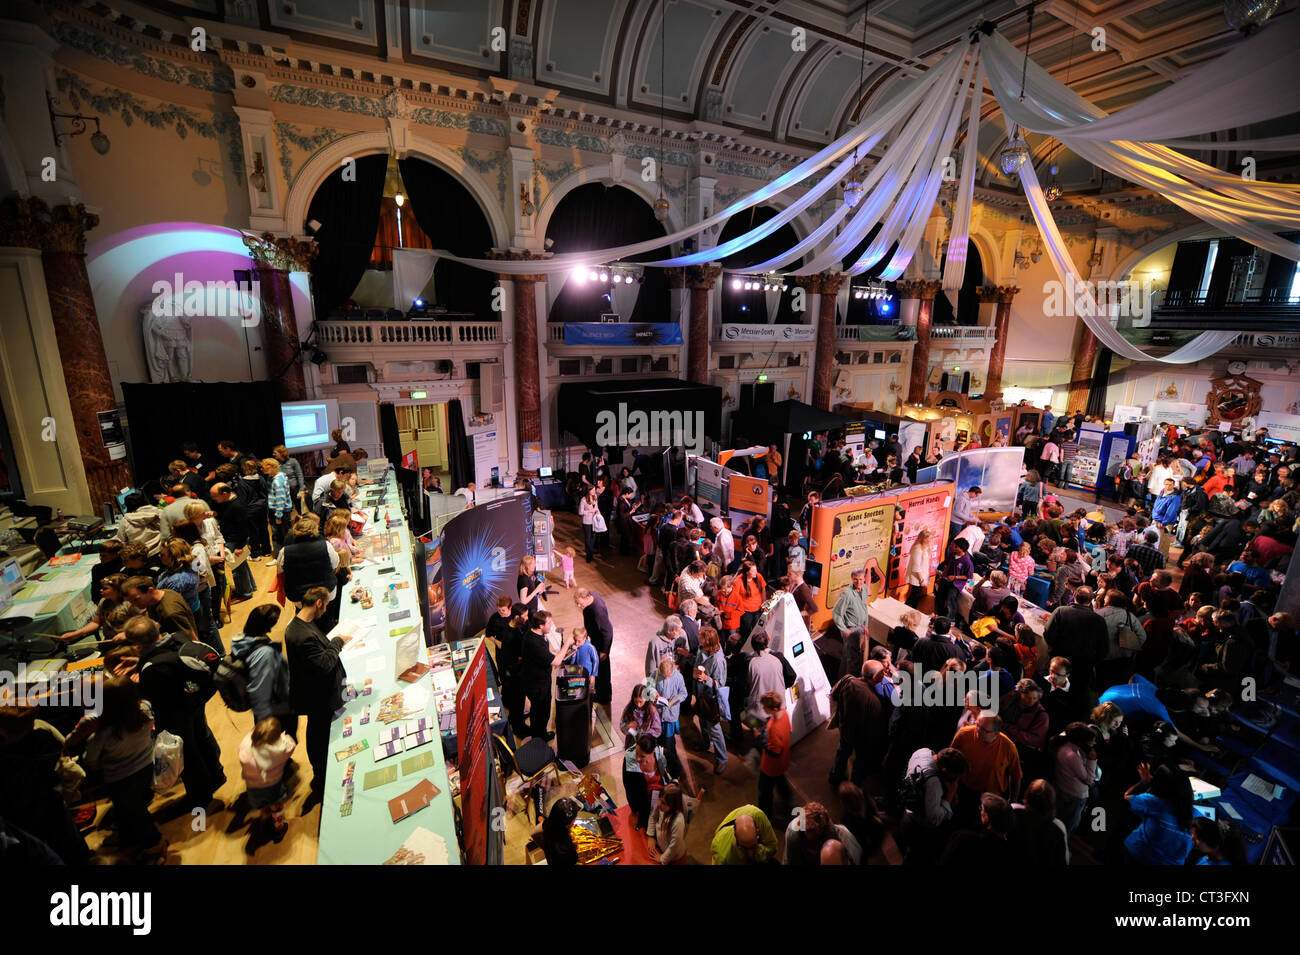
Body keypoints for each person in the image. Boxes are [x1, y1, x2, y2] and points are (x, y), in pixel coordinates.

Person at [123, 615, 225, 814]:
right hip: (195, 700)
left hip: (176, 715)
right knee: (202, 738)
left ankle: (200, 798)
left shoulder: (154, 668)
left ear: (136, 645)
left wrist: (138, 681)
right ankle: (216, 776)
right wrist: (140, 662)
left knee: (188, 755)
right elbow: (171, 660)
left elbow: (156, 697)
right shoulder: (179, 637)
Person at [76, 676, 165, 861]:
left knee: (135, 813)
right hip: (147, 767)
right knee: (135, 807)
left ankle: (155, 845)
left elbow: (90, 761)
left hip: (119, 781)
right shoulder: (146, 710)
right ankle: (129, 838)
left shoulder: (101, 736)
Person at [284, 586, 350, 804]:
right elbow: (324, 664)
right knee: (319, 735)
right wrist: (338, 642)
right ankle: (322, 777)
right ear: (319, 603)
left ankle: (321, 773)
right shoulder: (303, 636)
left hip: (313, 694)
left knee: (317, 731)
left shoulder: (298, 624)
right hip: (317, 697)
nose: (327, 608)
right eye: (327, 604)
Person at [229, 603, 294, 733]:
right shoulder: (265, 653)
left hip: (260, 708)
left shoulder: (242, 640)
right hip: (271, 709)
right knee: (276, 740)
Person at [238, 716, 296, 846]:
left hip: (254, 789)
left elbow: (246, 740)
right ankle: (279, 829)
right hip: (273, 787)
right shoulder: (282, 751)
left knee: (263, 807)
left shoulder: (245, 753)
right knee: (277, 808)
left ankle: (264, 823)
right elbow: (291, 743)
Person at [278, 517, 342, 635]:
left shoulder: (284, 551)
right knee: (328, 621)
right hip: (326, 593)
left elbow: (281, 572)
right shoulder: (325, 545)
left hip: (299, 597)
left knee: (305, 625)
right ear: (315, 530)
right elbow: (335, 563)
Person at [829, 659, 886, 787]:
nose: (885, 673)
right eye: (882, 671)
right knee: (859, 763)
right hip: (861, 739)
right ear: (875, 676)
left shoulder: (850, 682)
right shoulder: (874, 701)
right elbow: (873, 727)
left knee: (842, 754)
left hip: (845, 730)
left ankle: (835, 777)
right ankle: (854, 786)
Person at [1124, 762, 1194, 865]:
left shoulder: (1153, 802)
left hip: (1140, 856)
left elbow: (1127, 797)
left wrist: (1145, 782)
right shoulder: (1193, 812)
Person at [950, 711, 1022, 807]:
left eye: (984, 729)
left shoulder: (1008, 747)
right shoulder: (963, 734)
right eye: (977, 725)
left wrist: (1012, 800)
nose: (978, 731)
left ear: (996, 733)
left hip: (991, 797)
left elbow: (1015, 775)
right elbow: (951, 762)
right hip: (964, 789)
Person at [519, 610, 561, 741]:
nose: (551, 625)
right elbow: (556, 662)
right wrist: (567, 645)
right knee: (539, 713)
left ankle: (540, 733)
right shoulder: (534, 643)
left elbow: (547, 652)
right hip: (536, 685)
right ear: (541, 626)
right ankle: (538, 739)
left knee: (543, 711)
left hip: (541, 681)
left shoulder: (537, 634)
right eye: (549, 622)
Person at [693, 626, 729, 774]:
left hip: (711, 699)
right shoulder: (703, 650)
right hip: (701, 695)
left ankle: (722, 758)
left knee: (714, 728)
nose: (699, 640)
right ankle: (707, 744)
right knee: (702, 721)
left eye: (702, 638)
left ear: (709, 642)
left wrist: (706, 679)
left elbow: (720, 684)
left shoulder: (718, 660)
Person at [121, 574, 197, 643]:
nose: (133, 605)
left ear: (150, 590)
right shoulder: (162, 593)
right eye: (130, 601)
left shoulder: (170, 613)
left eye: (136, 599)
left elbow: (192, 640)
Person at [783, 800, 863, 865]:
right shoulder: (793, 833)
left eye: (815, 837)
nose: (811, 842)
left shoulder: (843, 838)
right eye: (807, 832)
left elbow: (856, 859)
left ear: (824, 830)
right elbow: (790, 861)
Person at [756, 690, 793, 821]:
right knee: (781, 780)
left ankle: (766, 816)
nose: (763, 709)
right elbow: (789, 731)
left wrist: (760, 739)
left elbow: (774, 752)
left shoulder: (773, 727)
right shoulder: (785, 714)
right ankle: (788, 798)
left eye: (765, 707)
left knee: (764, 792)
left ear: (774, 708)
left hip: (770, 766)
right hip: (783, 761)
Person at [712, 804, 779, 865]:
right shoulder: (721, 855)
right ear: (735, 835)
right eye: (744, 848)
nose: (750, 854)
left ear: (757, 832)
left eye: (753, 846)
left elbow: (773, 846)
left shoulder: (758, 816)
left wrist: (758, 853)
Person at [647, 782, 689, 864]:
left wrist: (662, 858)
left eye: (663, 803)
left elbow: (675, 846)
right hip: (664, 849)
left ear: (673, 805)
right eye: (659, 799)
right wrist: (651, 836)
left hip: (676, 858)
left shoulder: (678, 821)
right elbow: (652, 817)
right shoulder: (661, 807)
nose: (659, 804)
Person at [832, 568, 871, 636]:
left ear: (864, 579)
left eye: (860, 579)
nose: (858, 582)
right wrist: (845, 630)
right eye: (856, 579)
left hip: (861, 626)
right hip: (851, 628)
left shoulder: (864, 588)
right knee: (851, 646)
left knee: (861, 646)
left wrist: (865, 625)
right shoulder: (847, 594)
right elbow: (836, 613)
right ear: (852, 579)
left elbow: (864, 607)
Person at [905, 528, 933, 608]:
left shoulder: (925, 547)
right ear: (924, 538)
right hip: (917, 578)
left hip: (921, 577)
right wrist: (921, 580)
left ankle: (911, 612)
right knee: (914, 597)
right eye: (929, 538)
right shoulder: (917, 549)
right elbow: (916, 567)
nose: (930, 540)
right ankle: (907, 612)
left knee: (915, 596)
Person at [578, 486, 600, 563]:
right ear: (588, 491)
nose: (594, 491)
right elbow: (580, 512)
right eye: (593, 490)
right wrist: (590, 511)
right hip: (587, 522)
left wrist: (598, 512)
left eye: (595, 490)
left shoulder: (595, 497)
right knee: (588, 539)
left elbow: (596, 507)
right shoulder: (583, 500)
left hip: (594, 521)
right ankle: (589, 555)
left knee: (593, 537)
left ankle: (590, 552)